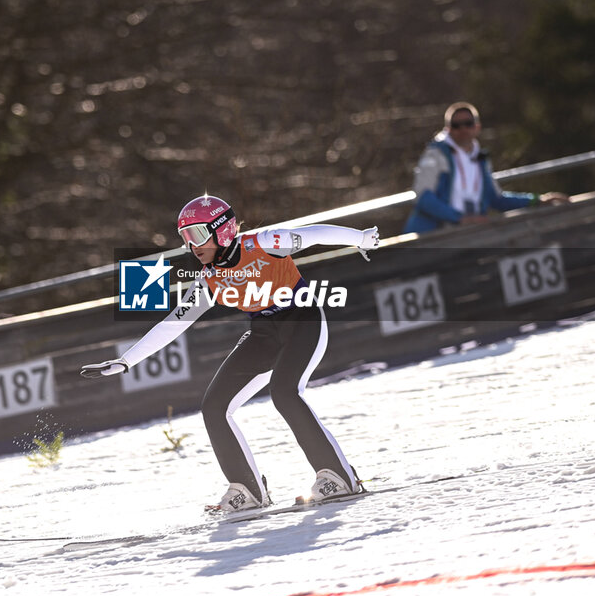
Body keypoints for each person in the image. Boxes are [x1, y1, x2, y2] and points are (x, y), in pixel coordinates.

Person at [81, 195, 381, 513]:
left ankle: (339, 477)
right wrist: (125, 361)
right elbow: (174, 323)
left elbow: (315, 234)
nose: (191, 245)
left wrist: (360, 238)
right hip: (265, 332)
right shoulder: (209, 277)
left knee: (285, 392)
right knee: (214, 406)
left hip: (302, 321)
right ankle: (248, 490)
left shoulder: (265, 242)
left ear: (221, 230)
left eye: (197, 234)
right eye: (185, 237)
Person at [403, 102, 570, 234]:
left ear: (477, 127)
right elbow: (423, 197)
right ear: (448, 129)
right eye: (456, 125)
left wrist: (537, 200)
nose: (462, 129)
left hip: (471, 235)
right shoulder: (434, 154)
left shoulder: (480, 159)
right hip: (435, 237)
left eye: (468, 123)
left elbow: (496, 199)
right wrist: (460, 219)